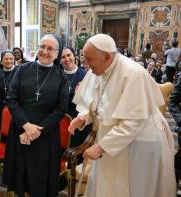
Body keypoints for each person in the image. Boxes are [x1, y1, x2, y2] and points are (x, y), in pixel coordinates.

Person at [68, 34, 176, 197]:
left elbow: (133, 121)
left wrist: (103, 146)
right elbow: (96, 102)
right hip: (112, 136)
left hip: (140, 141)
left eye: (89, 60)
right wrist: (84, 117)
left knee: (133, 188)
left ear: (106, 57)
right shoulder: (97, 69)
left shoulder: (134, 73)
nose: (86, 65)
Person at [3, 34, 69, 197]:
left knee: (40, 181)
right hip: (20, 129)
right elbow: (11, 99)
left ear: (57, 53)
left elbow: (61, 109)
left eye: (50, 48)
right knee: (21, 177)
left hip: (45, 135)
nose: (45, 51)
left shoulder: (61, 77)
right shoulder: (22, 70)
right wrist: (26, 125)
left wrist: (37, 131)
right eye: (42, 47)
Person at [60, 46, 89, 162]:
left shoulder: (86, 75)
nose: (66, 59)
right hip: (60, 120)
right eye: (63, 57)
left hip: (78, 121)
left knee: (74, 157)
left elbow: (90, 102)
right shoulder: (57, 75)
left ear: (74, 56)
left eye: (69, 55)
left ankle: (73, 176)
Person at [0, 51, 17, 135]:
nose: (8, 61)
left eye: (11, 59)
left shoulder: (19, 71)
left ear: (14, 60)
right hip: (0, 106)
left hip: (16, 106)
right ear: (1, 61)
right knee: (1, 128)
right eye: (6, 59)